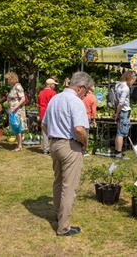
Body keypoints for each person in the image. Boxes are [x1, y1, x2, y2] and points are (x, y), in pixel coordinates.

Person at [42, 71, 91, 236]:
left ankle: (58, 215)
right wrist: (85, 143)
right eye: (86, 91)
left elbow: (44, 124)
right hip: (70, 146)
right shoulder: (75, 102)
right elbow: (79, 129)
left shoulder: (55, 98)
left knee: (58, 181)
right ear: (80, 88)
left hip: (54, 143)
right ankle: (64, 227)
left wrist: (52, 136)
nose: (86, 94)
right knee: (69, 187)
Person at [114, 70, 137, 159]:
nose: (133, 82)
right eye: (133, 80)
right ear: (130, 78)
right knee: (121, 133)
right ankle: (119, 154)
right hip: (123, 111)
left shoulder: (118, 85)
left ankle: (117, 151)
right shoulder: (126, 88)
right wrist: (117, 113)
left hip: (119, 110)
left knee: (118, 132)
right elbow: (121, 102)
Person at [6, 72, 27, 151]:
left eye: (8, 79)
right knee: (16, 127)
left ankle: (19, 146)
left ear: (12, 78)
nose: (7, 80)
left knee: (17, 127)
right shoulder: (14, 87)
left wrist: (15, 107)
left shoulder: (18, 86)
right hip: (14, 110)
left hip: (17, 110)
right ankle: (19, 145)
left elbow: (23, 98)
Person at [37, 78, 57, 154]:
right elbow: (55, 105)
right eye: (54, 84)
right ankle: (52, 148)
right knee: (53, 132)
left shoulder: (40, 93)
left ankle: (45, 149)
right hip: (51, 114)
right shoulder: (53, 93)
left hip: (42, 113)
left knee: (44, 132)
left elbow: (38, 105)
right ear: (50, 84)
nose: (54, 86)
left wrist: (39, 114)